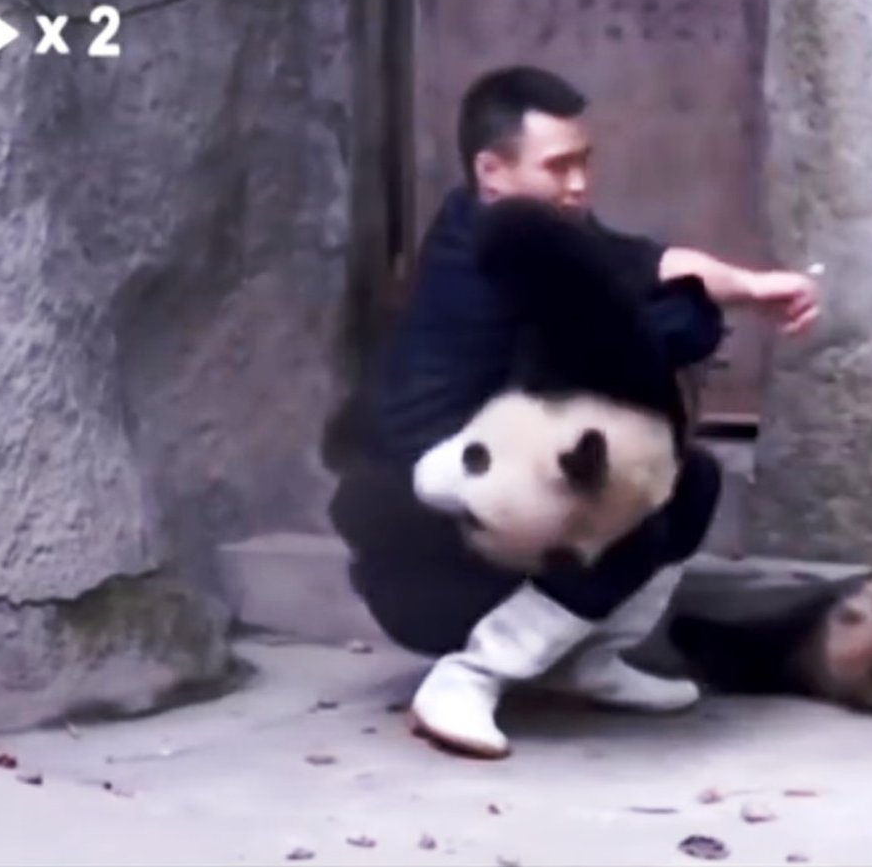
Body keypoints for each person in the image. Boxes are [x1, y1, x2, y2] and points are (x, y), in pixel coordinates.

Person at [326, 65, 820, 758]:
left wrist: (754, 288)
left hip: (493, 501)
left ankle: (585, 660)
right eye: (558, 167)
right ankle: (469, 678)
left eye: (584, 161)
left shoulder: (516, 224)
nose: (580, 183)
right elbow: (624, 325)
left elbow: (646, 265)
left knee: (691, 482)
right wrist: (681, 324)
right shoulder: (493, 254)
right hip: (436, 541)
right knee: (628, 507)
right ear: (491, 170)